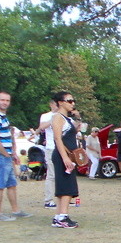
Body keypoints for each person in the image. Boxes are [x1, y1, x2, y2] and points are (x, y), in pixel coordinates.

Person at [0, 91, 31, 221]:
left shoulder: (2, 116)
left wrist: (12, 154)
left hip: (6, 155)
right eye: (2, 100)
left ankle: (15, 210)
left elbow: (6, 136)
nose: (5, 102)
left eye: (7, 100)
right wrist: (6, 154)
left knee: (11, 184)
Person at [50, 91, 80, 228]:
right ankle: (63, 217)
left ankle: (59, 216)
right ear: (60, 102)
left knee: (65, 185)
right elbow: (57, 138)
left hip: (69, 155)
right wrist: (65, 158)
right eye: (69, 101)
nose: (72, 103)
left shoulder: (67, 118)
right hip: (63, 155)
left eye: (73, 101)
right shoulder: (57, 117)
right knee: (67, 187)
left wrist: (78, 117)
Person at [37, 98, 58, 208]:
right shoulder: (46, 116)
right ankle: (48, 200)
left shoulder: (64, 116)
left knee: (65, 174)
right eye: (55, 104)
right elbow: (42, 128)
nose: (57, 106)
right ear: (51, 105)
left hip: (63, 148)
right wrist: (54, 118)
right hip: (51, 148)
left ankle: (65, 197)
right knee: (51, 174)